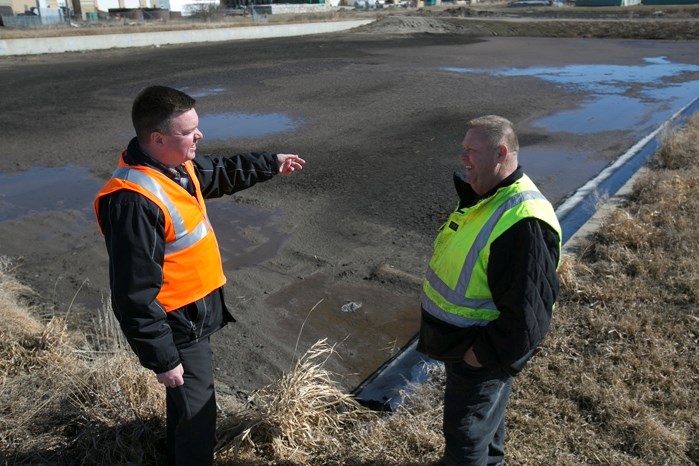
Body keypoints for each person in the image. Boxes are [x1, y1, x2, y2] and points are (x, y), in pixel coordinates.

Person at [93, 85, 305, 465]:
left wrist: (271, 163)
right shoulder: (133, 200)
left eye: (197, 127)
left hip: (195, 313)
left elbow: (219, 172)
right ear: (158, 138)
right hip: (176, 324)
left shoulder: (174, 166)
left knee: (188, 406)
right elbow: (132, 293)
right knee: (199, 413)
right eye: (189, 131)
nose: (200, 136)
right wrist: (163, 359)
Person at [417, 115, 561, 466]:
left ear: (500, 153)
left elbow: (527, 319)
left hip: (480, 353)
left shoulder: (522, 222)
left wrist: (477, 357)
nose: (463, 158)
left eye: (471, 151)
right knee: (485, 430)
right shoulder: (489, 196)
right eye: (462, 149)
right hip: (467, 344)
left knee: (465, 440)